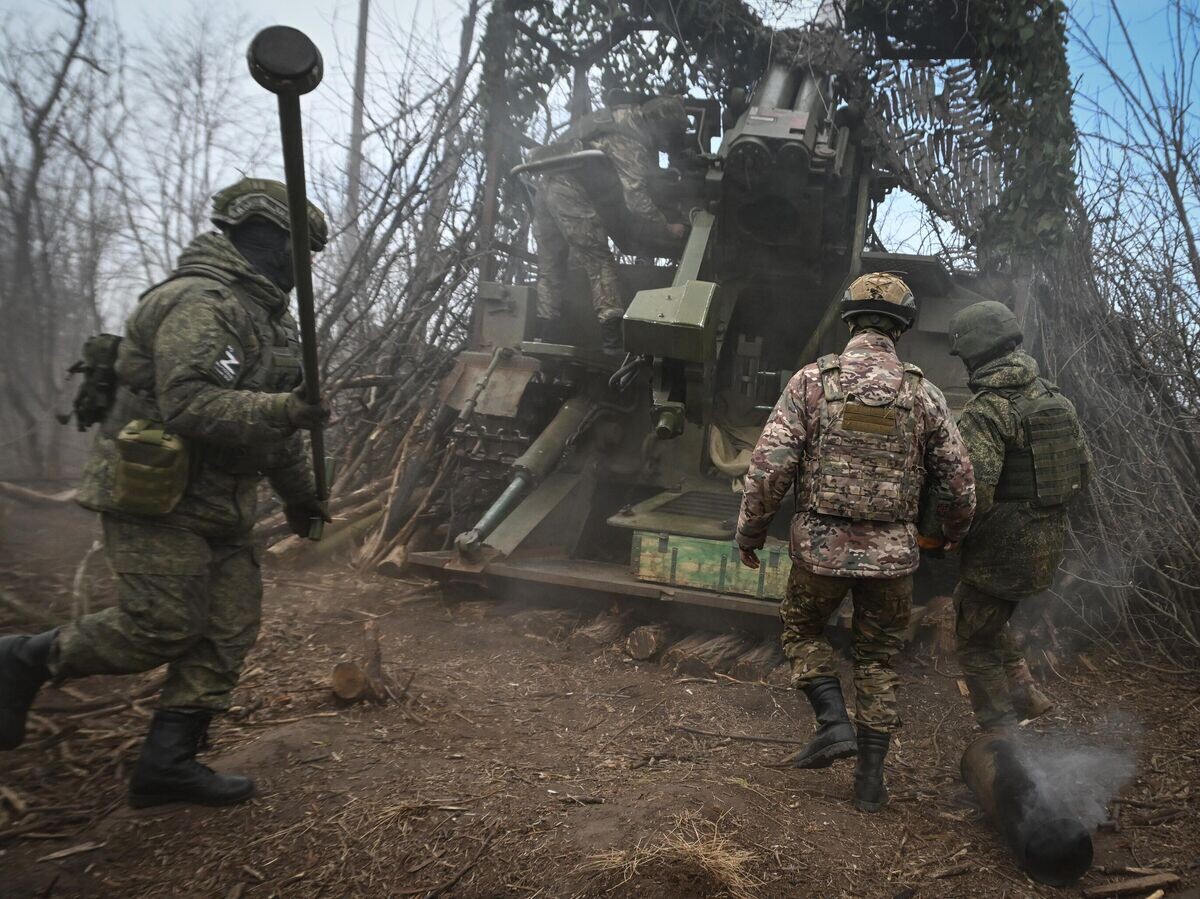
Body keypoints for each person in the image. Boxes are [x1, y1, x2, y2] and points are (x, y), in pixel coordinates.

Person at [0, 178, 331, 808]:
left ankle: (167, 765)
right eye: (303, 254)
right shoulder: (203, 303)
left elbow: (276, 430)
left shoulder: (268, 321)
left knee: (227, 629)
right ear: (275, 243)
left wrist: (301, 497)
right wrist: (287, 408)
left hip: (221, 503)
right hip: (158, 497)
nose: (304, 270)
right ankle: (23, 660)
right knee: (161, 627)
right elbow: (189, 403)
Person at [736, 272, 976, 812]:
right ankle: (869, 782)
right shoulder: (924, 393)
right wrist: (950, 536)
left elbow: (768, 470)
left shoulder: (811, 383)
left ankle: (831, 720)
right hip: (892, 561)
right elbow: (960, 482)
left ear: (849, 320)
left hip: (818, 552)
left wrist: (751, 532)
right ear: (903, 327)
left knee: (800, 628)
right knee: (879, 659)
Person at [947, 300, 1090, 732]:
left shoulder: (987, 409)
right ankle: (1025, 693)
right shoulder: (1055, 400)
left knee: (972, 640)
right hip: (1046, 545)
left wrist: (947, 533)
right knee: (986, 614)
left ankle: (1001, 738)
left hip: (1000, 551)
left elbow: (974, 494)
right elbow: (1083, 472)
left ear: (975, 354)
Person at [531, 95, 690, 352]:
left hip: (546, 186)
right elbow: (636, 198)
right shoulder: (632, 138)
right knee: (599, 261)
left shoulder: (618, 115)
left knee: (550, 266)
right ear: (662, 126)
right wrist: (667, 227)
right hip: (570, 192)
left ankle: (544, 333)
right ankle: (612, 340)